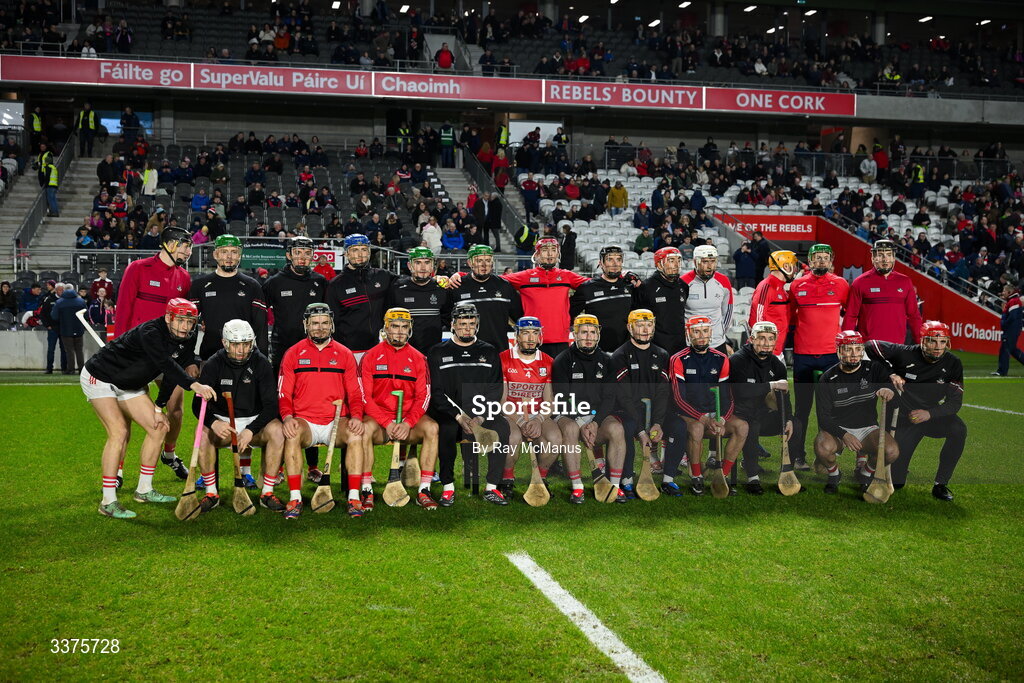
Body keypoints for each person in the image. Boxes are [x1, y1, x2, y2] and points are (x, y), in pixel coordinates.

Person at [81, 298, 215, 519]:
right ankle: (108, 500)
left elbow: (173, 373)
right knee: (119, 433)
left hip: (130, 384)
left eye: (189, 322)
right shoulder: (150, 331)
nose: (185, 326)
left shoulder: (187, 339)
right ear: (168, 317)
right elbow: (165, 363)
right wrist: (193, 384)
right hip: (101, 377)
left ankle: (144, 489)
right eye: (180, 320)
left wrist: (159, 406)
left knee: (160, 426)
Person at [114, 226, 194, 479]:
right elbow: (123, 308)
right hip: (135, 353)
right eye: (184, 245)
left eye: (189, 246)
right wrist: (118, 348)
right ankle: (117, 470)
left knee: (177, 408)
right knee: (125, 417)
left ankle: (169, 455)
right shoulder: (137, 268)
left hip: (167, 354)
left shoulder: (184, 277)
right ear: (168, 244)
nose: (188, 251)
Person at [277, 303, 366, 519]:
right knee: (292, 434)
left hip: (336, 420)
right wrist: (288, 418)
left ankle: (354, 496)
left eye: (325, 323)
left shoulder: (344, 354)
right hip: (305, 421)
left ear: (332, 325)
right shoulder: (293, 353)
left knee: (356, 435)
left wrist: (356, 416)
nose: (320, 328)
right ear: (305, 324)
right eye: (315, 323)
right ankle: (295, 497)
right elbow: (283, 393)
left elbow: (355, 392)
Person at [191, 320, 285, 511]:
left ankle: (267, 492)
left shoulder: (262, 363)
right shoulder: (212, 364)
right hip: (222, 421)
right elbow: (197, 404)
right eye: (236, 344)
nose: (241, 349)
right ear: (225, 343)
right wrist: (214, 422)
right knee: (201, 434)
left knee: (278, 432)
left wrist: (251, 430)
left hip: (255, 420)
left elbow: (271, 406)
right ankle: (211, 492)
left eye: (246, 343)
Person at [427, 303, 516, 506]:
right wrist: (459, 416)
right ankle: (448, 487)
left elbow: (495, 389)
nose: (467, 328)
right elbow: (437, 392)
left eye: (471, 323)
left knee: (502, 428)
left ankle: (492, 487)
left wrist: (481, 416)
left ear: (477, 325)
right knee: (447, 430)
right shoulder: (437, 352)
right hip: (451, 414)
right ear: (453, 325)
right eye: (462, 324)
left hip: (480, 413)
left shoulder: (489, 351)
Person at [866, 321, 965, 501]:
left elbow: (955, 403)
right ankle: (873, 467)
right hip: (904, 419)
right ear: (922, 341)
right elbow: (870, 346)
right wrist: (891, 373)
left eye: (942, 342)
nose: (938, 347)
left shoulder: (953, 363)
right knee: (897, 482)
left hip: (930, 416)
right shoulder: (904, 353)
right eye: (932, 341)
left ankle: (940, 484)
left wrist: (929, 414)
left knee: (958, 429)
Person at [449, 237, 587, 357]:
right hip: (531, 340)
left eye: (553, 250)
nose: (550, 254)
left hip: (560, 339)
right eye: (545, 250)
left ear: (558, 253)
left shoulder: (567, 276)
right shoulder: (525, 276)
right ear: (537, 254)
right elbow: (491, 280)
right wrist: (461, 276)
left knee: (559, 384)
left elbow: (593, 285)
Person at [360, 308, 440, 510]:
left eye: (404, 327)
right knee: (364, 430)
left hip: (407, 421)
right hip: (379, 421)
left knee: (432, 428)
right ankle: (366, 489)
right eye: (394, 327)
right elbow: (364, 398)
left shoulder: (419, 358)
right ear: (385, 328)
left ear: (410, 329)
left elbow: (424, 396)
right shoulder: (370, 356)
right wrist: (386, 422)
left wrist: (408, 422)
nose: (399, 332)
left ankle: (424, 489)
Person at [666, 315, 748, 496]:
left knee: (742, 426)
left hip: (715, 414)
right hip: (689, 415)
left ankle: (722, 475)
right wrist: (702, 418)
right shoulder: (678, 359)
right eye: (696, 331)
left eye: (704, 331)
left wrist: (722, 418)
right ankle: (697, 476)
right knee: (696, 429)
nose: (701, 335)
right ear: (689, 334)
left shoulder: (721, 358)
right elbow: (679, 399)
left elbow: (728, 396)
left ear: (711, 333)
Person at [788, 244, 850, 470]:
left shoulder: (842, 284)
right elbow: (791, 318)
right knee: (801, 410)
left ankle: (823, 456)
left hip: (831, 357)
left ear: (831, 261)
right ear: (811, 261)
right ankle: (798, 456)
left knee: (830, 409)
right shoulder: (797, 284)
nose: (821, 262)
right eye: (817, 258)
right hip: (803, 355)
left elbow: (850, 314)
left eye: (825, 258)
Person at [814, 330, 898, 494]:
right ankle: (834, 475)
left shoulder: (874, 369)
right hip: (838, 429)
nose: (854, 354)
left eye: (858, 349)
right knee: (822, 448)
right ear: (838, 351)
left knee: (891, 451)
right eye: (848, 349)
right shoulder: (827, 378)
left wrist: (890, 391)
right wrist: (844, 434)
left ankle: (865, 474)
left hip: (867, 428)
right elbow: (823, 418)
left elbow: (894, 398)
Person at [552, 314, 625, 502]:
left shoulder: (608, 361)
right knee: (570, 429)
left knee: (617, 429)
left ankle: (614, 486)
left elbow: (609, 397)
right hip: (569, 414)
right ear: (575, 334)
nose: (588, 336)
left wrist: (595, 421)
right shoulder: (562, 360)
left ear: (598, 334)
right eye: (583, 332)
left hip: (596, 416)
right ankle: (577, 487)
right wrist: (581, 420)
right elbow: (562, 397)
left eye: (593, 332)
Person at [607, 309, 670, 500]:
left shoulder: (661, 354)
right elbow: (625, 398)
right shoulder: (619, 356)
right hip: (627, 411)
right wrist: (642, 430)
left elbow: (662, 393)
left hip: (653, 412)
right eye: (639, 325)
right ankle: (626, 480)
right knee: (627, 428)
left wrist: (658, 422)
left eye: (649, 324)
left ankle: (669, 479)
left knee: (679, 427)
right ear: (629, 327)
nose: (645, 329)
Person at [498, 317, 562, 500]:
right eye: (525, 333)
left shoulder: (548, 361)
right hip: (511, 414)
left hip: (537, 414)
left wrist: (538, 420)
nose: (530, 338)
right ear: (517, 336)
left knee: (555, 438)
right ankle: (507, 479)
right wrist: (520, 420)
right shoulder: (504, 359)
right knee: (513, 438)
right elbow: (502, 401)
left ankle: (540, 479)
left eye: (535, 333)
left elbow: (549, 400)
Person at [727, 321, 795, 495]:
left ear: (776, 341)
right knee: (751, 425)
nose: (766, 343)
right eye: (761, 338)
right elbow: (740, 391)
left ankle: (788, 474)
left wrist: (788, 418)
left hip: (763, 414)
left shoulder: (777, 365)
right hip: (740, 414)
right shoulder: (737, 360)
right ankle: (752, 477)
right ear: (751, 339)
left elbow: (783, 396)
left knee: (797, 425)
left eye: (771, 339)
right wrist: (771, 385)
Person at [188, 234, 268, 361]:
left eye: (234, 252)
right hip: (209, 355)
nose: (229, 256)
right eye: (224, 251)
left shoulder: (252, 286)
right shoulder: (200, 285)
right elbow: (189, 325)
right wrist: (188, 360)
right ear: (215, 254)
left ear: (239, 255)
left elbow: (261, 327)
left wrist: (263, 359)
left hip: (243, 357)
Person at [326, 234, 399, 361]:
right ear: (346, 254)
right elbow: (331, 323)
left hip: (379, 349)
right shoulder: (335, 285)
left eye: (364, 249)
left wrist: (435, 279)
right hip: (349, 352)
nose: (360, 254)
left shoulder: (383, 276)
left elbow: (409, 283)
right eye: (355, 250)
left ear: (369, 252)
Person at [843, 239, 923, 344]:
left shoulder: (905, 282)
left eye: (889, 255)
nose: (885, 259)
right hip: (869, 348)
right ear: (873, 258)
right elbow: (850, 316)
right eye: (880, 255)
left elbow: (914, 316)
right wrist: (846, 343)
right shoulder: (859, 283)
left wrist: (920, 343)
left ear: (894, 258)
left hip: (897, 348)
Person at [448, 244, 522, 349]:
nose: (484, 265)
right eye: (479, 261)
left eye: (487, 260)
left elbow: (519, 316)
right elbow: (447, 318)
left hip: (498, 351)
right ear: (470, 263)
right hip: (466, 351)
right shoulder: (457, 286)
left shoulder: (505, 286)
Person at [570, 246, 638, 353]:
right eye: (610, 259)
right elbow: (568, 314)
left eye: (618, 259)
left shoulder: (629, 286)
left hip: (625, 352)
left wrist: (640, 285)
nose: (615, 264)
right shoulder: (587, 288)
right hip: (596, 352)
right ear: (600, 263)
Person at [387, 247, 452, 354]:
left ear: (432, 266)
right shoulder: (397, 288)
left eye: (427, 262)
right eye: (418, 262)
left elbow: (448, 319)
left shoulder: (442, 289)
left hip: (433, 353)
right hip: (402, 353)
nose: (423, 267)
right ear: (409, 266)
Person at [635, 247, 689, 354]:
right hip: (656, 347)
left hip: (680, 345)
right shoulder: (646, 287)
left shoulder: (684, 286)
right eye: (671, 261)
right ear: (659, 264)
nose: (676, 265)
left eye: (678, 260)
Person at [682, 244, 734, 353]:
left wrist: (719, 334)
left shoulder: (724, 281)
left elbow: (728, 311)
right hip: (690, 343)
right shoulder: (683, 282)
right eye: (705, 262)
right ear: (696, 262)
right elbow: (677, 313)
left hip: (717, 342)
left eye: (713, 261)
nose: (710, 266)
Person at [748, 250, 798, 358]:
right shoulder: (766, 286)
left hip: (777, 351)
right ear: (785, 266)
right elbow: (756, 321)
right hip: (766, 353)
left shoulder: (782, 289)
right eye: (793, 266)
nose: (795, 270)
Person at [51, 283, 87, 375]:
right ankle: (81, 369)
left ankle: (71, 369)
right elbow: (86, 315)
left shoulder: (60, 302)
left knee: (69, 350)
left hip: (66, 329)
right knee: (79, 350)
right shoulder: (80, 301)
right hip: (79, 329)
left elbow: (54, 316)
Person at [993, 281, 1023, 376]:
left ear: (1009, 292)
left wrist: (1004, 324)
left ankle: (1002, 371)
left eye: (1004, 291)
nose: (1003, 293)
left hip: (1011, 329)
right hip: (1013, 329)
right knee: (1013, 350)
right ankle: (1001, 370)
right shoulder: (1013, 300)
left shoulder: (1013, 301)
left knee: (1004, 349)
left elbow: (1012, 317)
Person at [40, 281, 67, 374]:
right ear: (55, 290)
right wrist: (47, 325)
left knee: (64, 349)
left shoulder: (66, 299)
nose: (61, 291)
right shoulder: (49, 299)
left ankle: (64, 368)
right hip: (52, 328)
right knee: (51, 349)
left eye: (62, 290)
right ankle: (49, 368)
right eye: (59, 290)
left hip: (64, 328)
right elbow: (42, 314)